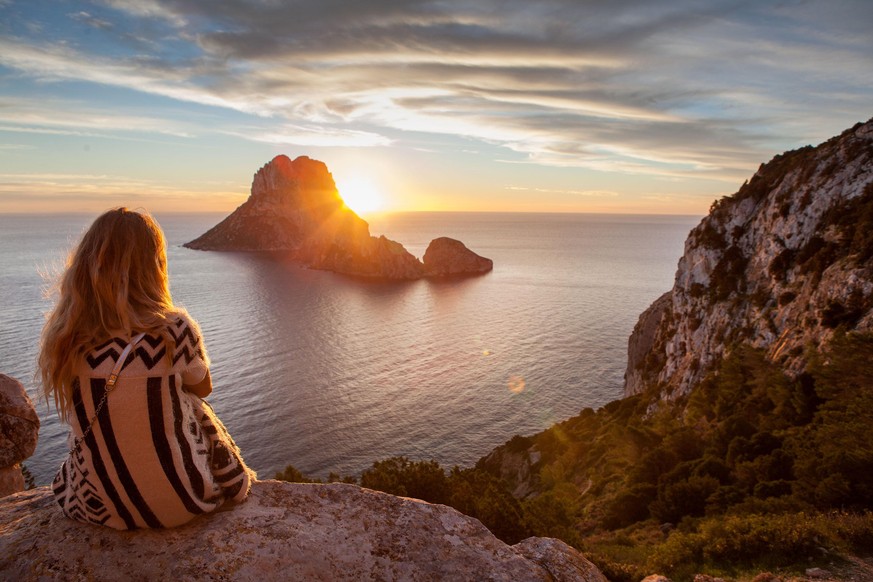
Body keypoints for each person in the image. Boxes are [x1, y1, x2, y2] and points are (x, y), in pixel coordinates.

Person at [39, 207, 253, 530]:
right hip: (185, 501)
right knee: (195, 405)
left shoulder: (68, 339)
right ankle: (230, 478)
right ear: (154, 267)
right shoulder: (174, 330)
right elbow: (204, 387)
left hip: (100, 509)